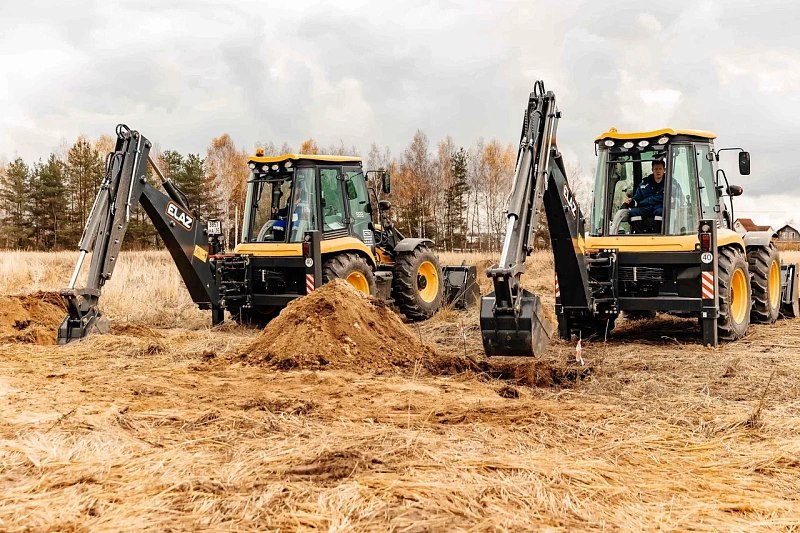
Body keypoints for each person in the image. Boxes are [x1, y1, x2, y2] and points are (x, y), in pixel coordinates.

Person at [610, 159, 666, 234]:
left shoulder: (671, 184)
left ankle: (659, 234)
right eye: (656, 169)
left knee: (661, 212)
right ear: (652, 170)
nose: (658, 171)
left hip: (660, 208)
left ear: (664, 170)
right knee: (634, 212)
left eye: (660, 169)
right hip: (646, 208)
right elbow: (637, 199)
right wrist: (631, 201)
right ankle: (640, 235)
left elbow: (675, 199)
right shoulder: (644, 184)